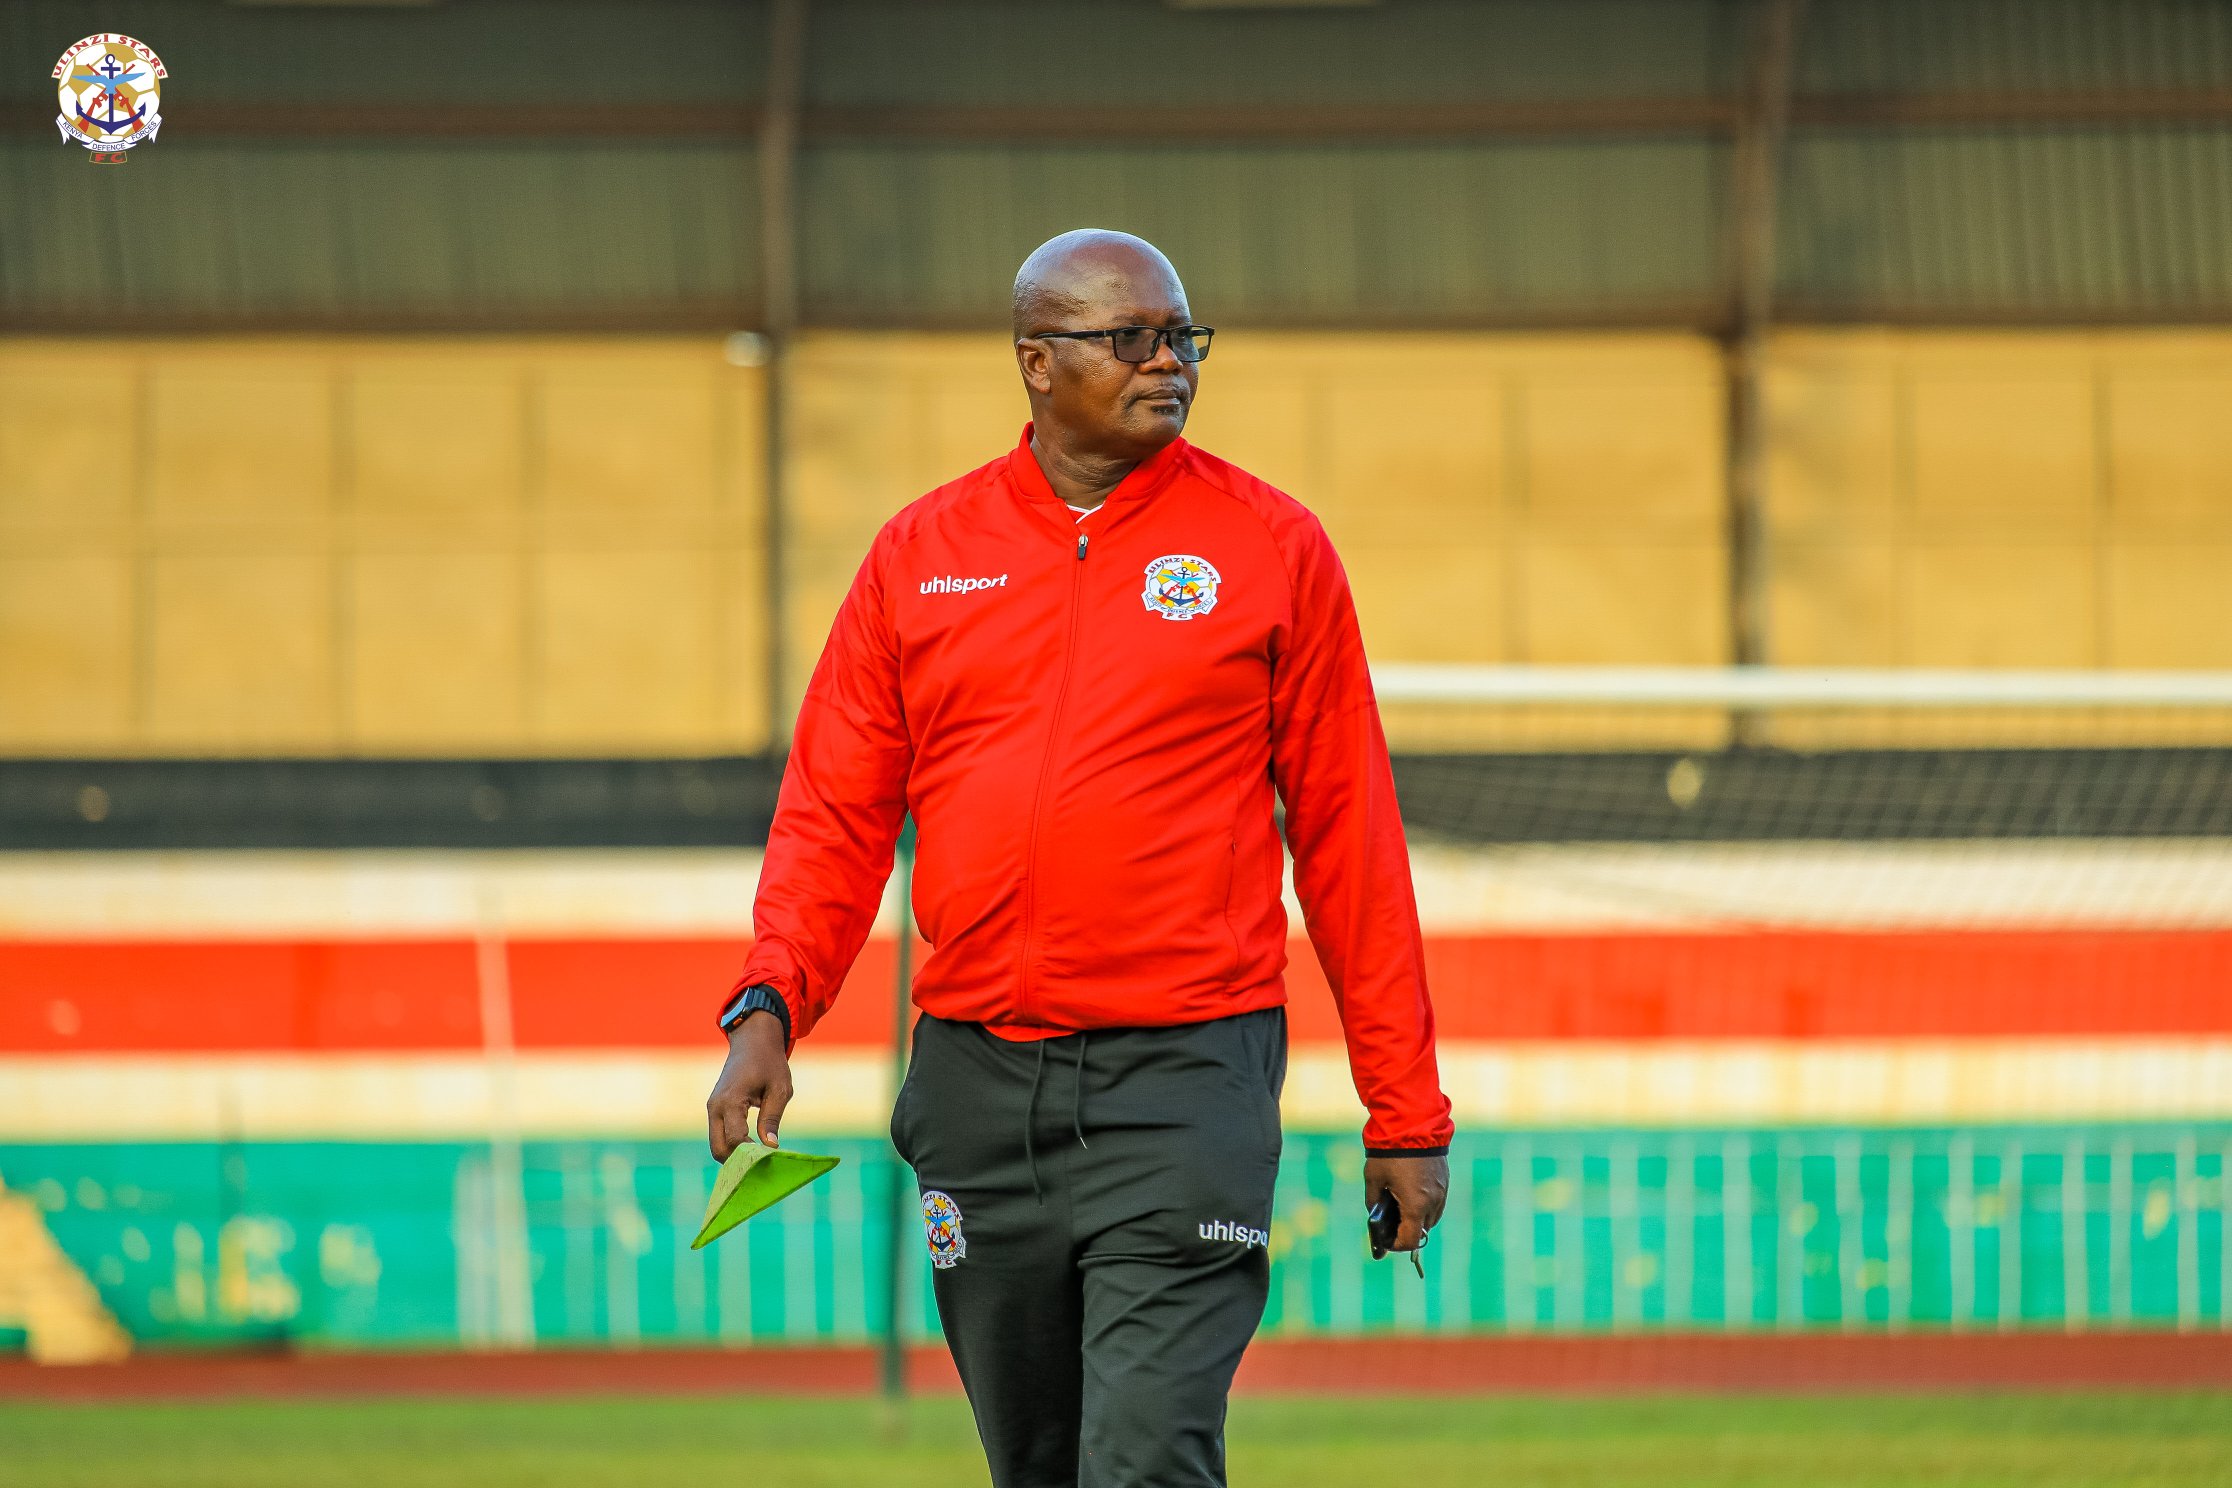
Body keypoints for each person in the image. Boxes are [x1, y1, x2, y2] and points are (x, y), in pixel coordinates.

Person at [706, 228, 1452, 1487]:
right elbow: (832, 814)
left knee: (1146, 1458)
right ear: (1036, 361)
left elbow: (1351, 844)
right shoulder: (920, 555)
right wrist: (770, 1005)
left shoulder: (1273, 548)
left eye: (1182, 337)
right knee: (1041, 1466)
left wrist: (1407, 1109)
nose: (1170, 362)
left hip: (1187, 1080)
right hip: (976, 1091)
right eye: (1131, 339)